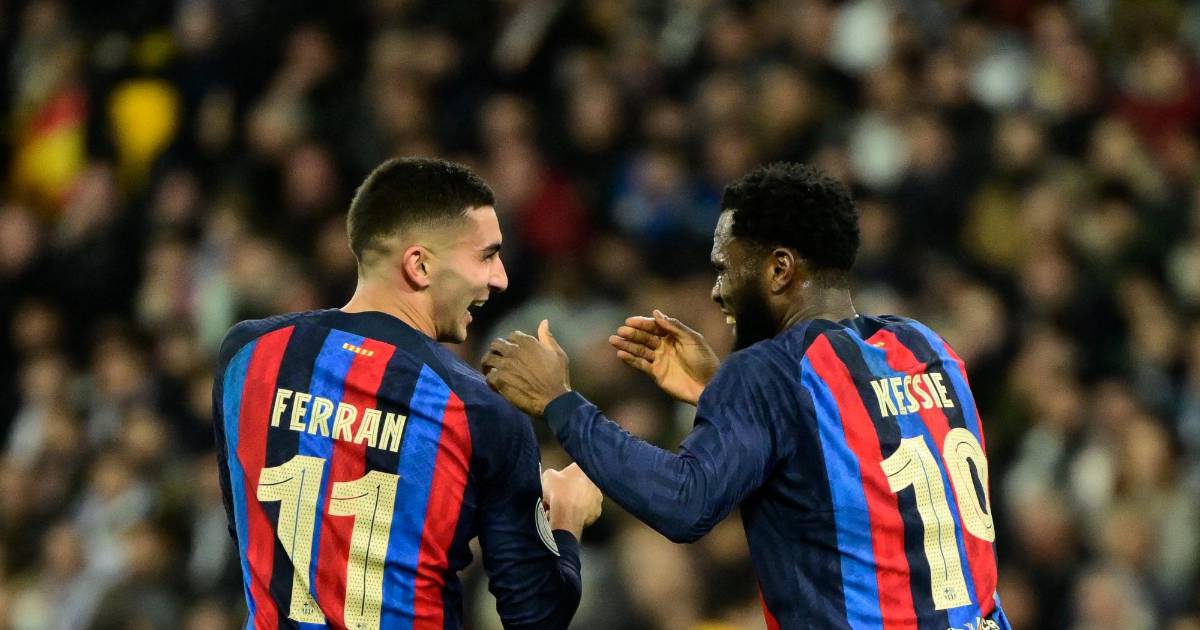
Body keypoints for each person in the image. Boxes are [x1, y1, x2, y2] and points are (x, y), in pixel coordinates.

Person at [483, 163, 1011, 629]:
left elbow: (685, 503)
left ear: (779, 269)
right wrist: (719, 394)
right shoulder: (926, 347)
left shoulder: (768, 373)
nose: (718, 291)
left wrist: (561, 402)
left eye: (725, 267)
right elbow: (854, 455)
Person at [212, 157, 602, 630]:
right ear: (419, 265)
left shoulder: (247, 355)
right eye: (486, 256)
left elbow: (246, 528)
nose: (500, 278)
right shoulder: (478, 411)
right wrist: (566, 521)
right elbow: (536, 617)